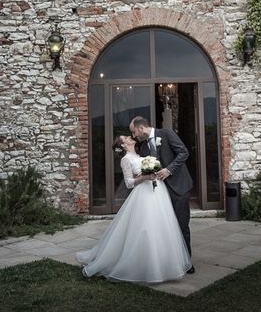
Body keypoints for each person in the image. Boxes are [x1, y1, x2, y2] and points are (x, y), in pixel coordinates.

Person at [77, 135, 192, 283]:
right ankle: (145, 265)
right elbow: (129, 183)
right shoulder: (126, 160)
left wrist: (154, 173)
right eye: (125, 138)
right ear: (123, 146)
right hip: (143, 195)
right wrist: (145, 177)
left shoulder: (141, 153)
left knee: (161, 226)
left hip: (158, 193)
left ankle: (164, 263)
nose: (129, 137)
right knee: (146, 227)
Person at [129, 116, 195, 274]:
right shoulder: (143, 147)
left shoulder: (166, 134)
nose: (134, 136)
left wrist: (169, 169)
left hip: (179, 188)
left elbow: (183, 153)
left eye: (134, 132)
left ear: (141, 128)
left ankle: (187, 262)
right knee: (165, 228)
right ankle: (169, 261)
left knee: (181, 225)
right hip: (160, 194)